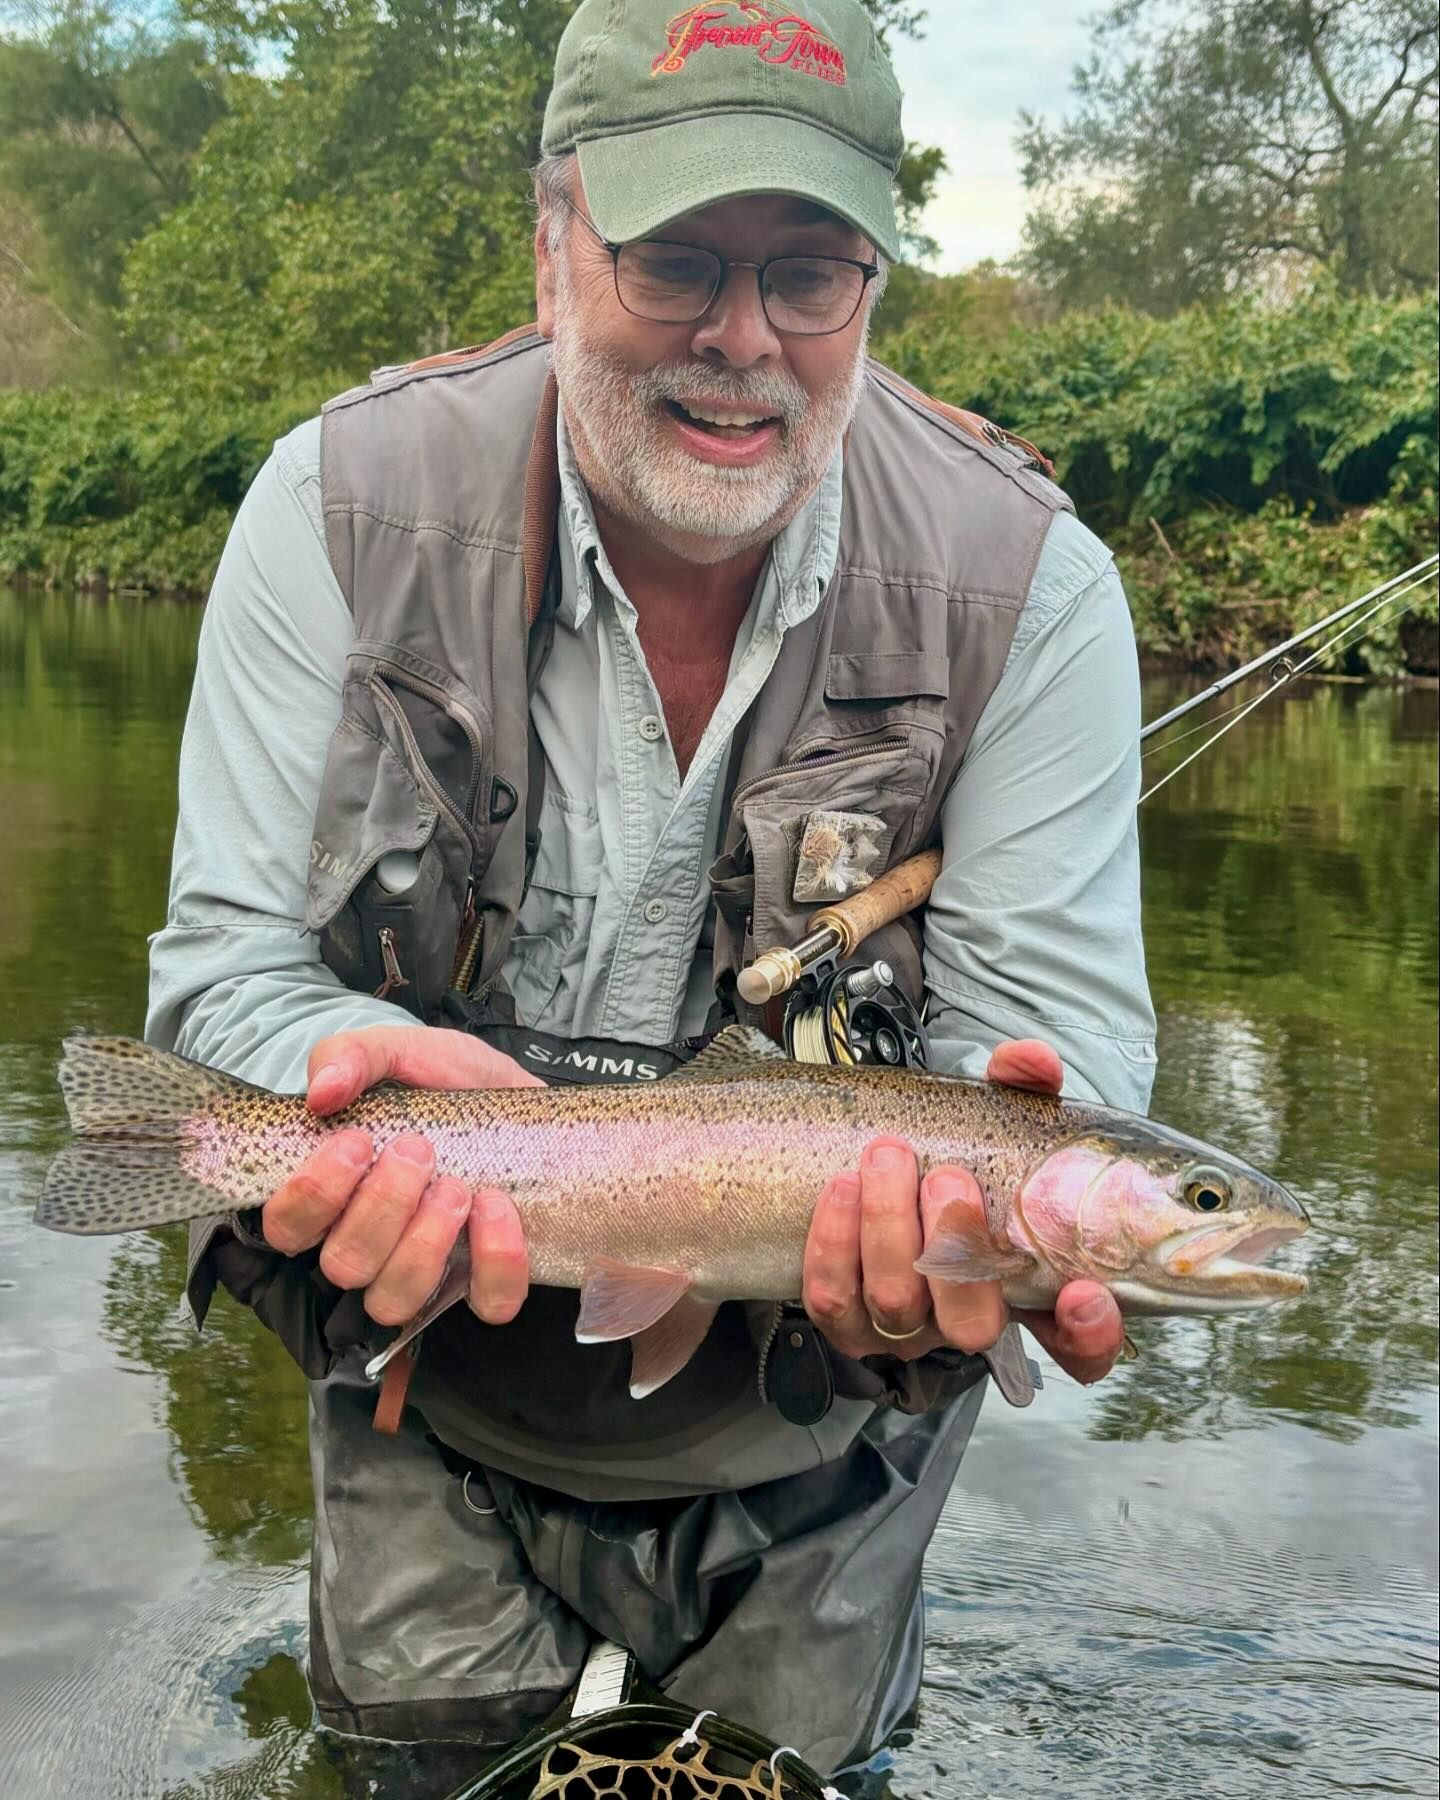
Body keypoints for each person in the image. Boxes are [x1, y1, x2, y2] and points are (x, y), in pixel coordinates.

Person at [146, 0, 1156, 1775]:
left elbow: (1058, 1058)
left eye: (809, 271)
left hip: (824, 1454)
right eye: (677, 259)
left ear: (874, 289)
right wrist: (340, 1066)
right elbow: (222, 969)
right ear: (552, 249)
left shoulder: (1040, 592)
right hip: (422, 1383)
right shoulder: (332, 509)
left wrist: (1007, 1192)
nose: (743, 340)